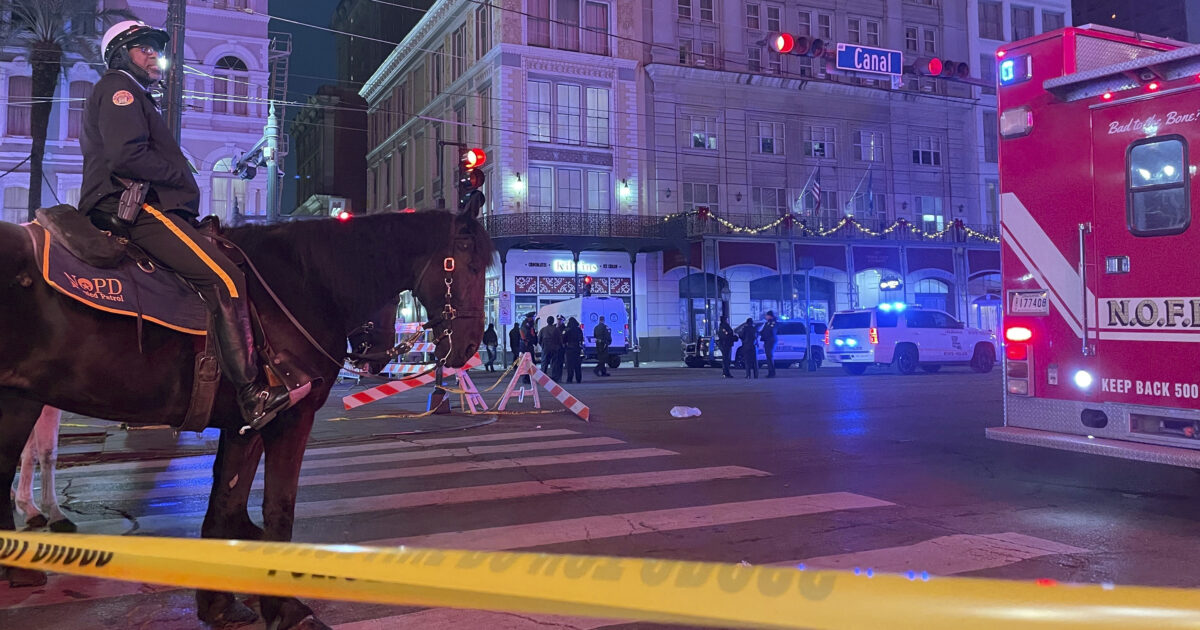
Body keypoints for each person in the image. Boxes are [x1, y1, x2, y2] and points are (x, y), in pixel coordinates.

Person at [79, 21, 308, 431]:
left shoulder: (135, 94)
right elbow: (126, 157)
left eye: (154, 48)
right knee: (228, 277)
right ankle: (251, 393)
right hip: (131, 207)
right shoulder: (122, 90)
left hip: (137, 202)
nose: (153, 54)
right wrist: (181, 173)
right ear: (119, 54)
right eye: (142, 48)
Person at [564, 317, 584, 384]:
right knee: (577, 365)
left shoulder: (567, 330)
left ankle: (569, 379)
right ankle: (578, 379)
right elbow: (581, 338)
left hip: (569, 349)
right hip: (577, 348)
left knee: (570, 365)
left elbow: (564, 339)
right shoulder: (578, 330)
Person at [761, 310, 778, 378]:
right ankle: (770, 372)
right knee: (768, 357)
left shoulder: (773, 323)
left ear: (770, 316)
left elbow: (771, 332)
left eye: (767, 315)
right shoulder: (767, 323)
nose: (766, 317)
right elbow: (763, 331)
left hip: (770, 341)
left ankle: (772, 372)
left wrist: (764, 335)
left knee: (769, 356)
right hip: (767, 341)